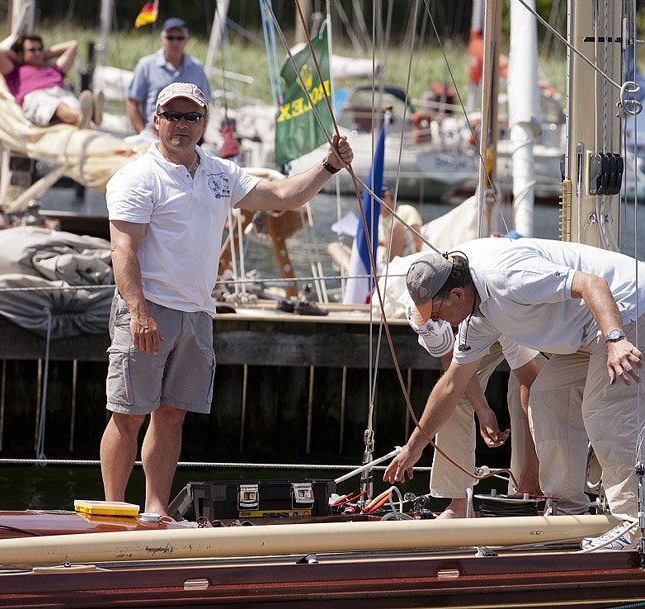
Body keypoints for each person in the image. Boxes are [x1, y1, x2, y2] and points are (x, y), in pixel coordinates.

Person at [101, 82, 353, 517]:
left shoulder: (220, 172)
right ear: (156, 120)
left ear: (204, 123)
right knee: (127, 414)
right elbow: (122, 250)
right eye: (173, 115)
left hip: (197, 312)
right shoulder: (137, 177)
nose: (182, 125)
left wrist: (328, 165)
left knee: (172, 415)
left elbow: (279, 198)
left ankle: (156, 508)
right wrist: (139, 312)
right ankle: (111, 511)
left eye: (191, 117)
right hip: (149, 308)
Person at [383, 238, 644, 550]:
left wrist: (615, 339)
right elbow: (452, 384)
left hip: (626, 311)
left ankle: (633, 529)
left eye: (435, 312)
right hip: (586, 332)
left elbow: (593, 283)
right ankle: (569, 514)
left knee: (603, 411)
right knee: (546, 395)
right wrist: (414, 448)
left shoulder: (508, 277)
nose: (436, 321)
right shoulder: (477, 316)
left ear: (456, 294)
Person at [407, 303, 541, 518]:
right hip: (471, 322)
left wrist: (532, 466)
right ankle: (459, 502)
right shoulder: (421, 308)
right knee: (453, 397)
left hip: (514, 319)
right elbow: (452, 370)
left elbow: (531, 383)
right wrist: (483, 410)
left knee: (522, 396)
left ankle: (527, 492)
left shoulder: (497, 308)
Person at [0, 34, 103, 128]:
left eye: (40, 49)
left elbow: (73, 45)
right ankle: (90, 114)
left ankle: (83, 115)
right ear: (20, 53)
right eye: (32, 50)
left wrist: (45, 55)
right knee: (57, 106)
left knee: (70, 104)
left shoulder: (54, 70)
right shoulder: (15, 71)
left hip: (59, 93)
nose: (37, 53)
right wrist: (19, 59)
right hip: (35, 96)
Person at [126, 18, 212, 142]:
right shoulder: (146, 65)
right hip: (152, 136)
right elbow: (132, 103)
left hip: (187, 139)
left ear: (186, 40)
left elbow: (206, 106)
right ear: (162, 39)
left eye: (180, 38)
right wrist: (142, 134)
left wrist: (198, 137)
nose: (175, 42)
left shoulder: (197, 68)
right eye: (170, 37)